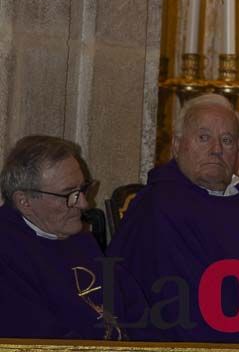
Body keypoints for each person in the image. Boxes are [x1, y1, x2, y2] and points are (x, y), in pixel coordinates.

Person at [107, 93, 239, 342]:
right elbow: (178, 306)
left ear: (237, 152)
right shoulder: (159, 206)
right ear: (177, 144)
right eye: (204, 138)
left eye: (227, 140)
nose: (216, 150)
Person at [0, 134, 139, 338]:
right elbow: (39, 338)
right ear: (24, 202)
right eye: (69, 194)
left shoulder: (79, 238)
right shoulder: (6, 252)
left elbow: (133, 304)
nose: (84, 204)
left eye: (83, 189)